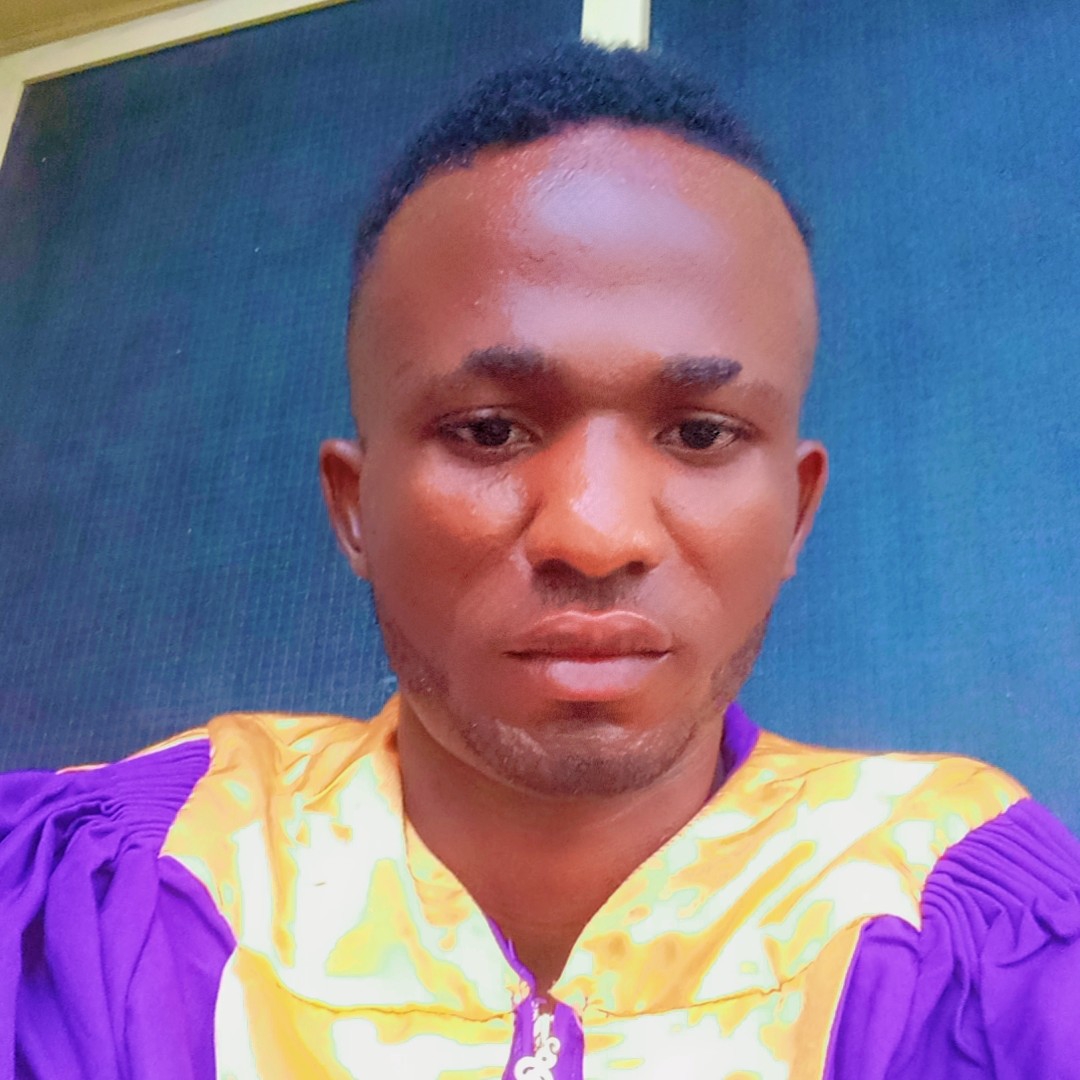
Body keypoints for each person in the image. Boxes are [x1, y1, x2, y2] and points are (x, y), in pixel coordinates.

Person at [1, 42, 1077, 1080]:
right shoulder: (103, 906)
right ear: (354, 508)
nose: (596, 536)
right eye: (489, 431)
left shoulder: (967, 930)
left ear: (796, 514)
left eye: (700, 433)